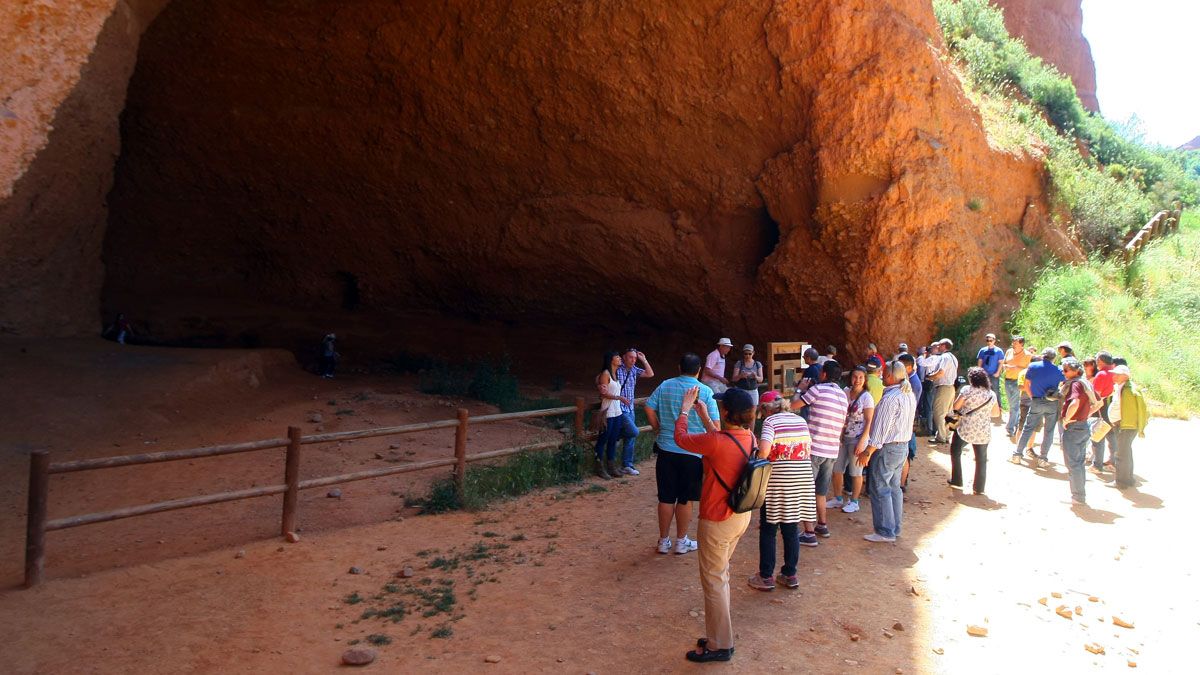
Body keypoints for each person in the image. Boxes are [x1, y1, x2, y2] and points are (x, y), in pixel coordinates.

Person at [673, 386, 755, 663]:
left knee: (714, 581)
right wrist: (705, 416)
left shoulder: (717, 442)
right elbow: (720, 440)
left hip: (717, 519)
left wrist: (685, 410)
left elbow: (681, 439)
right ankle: (720, 636)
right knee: (721, 576)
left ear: (727, 412)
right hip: (739, 516)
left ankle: (720, 644)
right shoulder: (748, 436)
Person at [645, 354, 720, 555]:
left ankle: (663, 541)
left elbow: (648, 407)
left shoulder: (665, 385)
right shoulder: (705, 391)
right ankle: (681, 541)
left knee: (666, 497)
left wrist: (657, 428)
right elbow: (716, 426)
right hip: (693, 452)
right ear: (699, 370)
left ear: (679, 367)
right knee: (685, 499)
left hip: (666, 449)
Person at [748, 391, 814, 592]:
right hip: (801, 480)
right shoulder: (800, 420)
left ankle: (766, 576)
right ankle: (789, 574)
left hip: (778, 481)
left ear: (766, 409)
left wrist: (755, 456)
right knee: (791, 527)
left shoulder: (771, 422)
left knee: (769, 528)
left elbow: (764, 452)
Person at [856, 360, 917, 543]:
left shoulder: (890, 398)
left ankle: (884, 530)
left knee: (880, 487)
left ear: (890, 376)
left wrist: (868, 451)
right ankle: (894, 528)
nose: (882, 376)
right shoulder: (908, 394)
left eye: (884, 373)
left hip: (888, 448)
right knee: (894, 487)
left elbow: (881, 431)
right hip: (901, 446)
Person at [792, 360, 847, 544]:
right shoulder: (842, 395)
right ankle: (822, 525)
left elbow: (793, 405)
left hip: (814, 449)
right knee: (820, 491)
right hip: (831, 450)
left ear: (823, 374)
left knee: (806, 491)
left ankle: (809, 533)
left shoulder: (817, 390)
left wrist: (800, 389)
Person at [947, 367, 1001, 495]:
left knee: (955, 451)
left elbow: (956, 407)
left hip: (965, 428)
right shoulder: (991, 394)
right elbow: (996, 414)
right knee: (981, 459)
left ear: (971, 379)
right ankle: (979, 487)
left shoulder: (967, 390)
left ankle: (957, 480)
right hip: (983, 431)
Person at [828, 367, 873, 514]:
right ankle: (838, 498)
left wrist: (862, 441)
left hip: (857, 438)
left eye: (861, 377)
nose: (857, 380)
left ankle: (854, 501)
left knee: (855, 472)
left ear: (865, 380)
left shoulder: (867, 397)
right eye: (855, 377)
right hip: (843, 436)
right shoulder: (846, 392)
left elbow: (869, 421)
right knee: (837, 469)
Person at [1013, 348, 1065, 467]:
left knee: (1028, 428)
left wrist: (1032, 396)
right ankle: (1043, 458)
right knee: (1049, 431)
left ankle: (1017, 454)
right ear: (1054, 358)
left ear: (1042, 356)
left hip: (1036, 400)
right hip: (1052, 402)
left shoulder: (1033, 366)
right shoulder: (1058, 370)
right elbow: (1064, 383)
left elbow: (1026, 384)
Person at [594, 351, 633, 480]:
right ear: (611, 360)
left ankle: (611, 466)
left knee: (612, 439)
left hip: (617, 412)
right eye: (617, 357)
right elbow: (603, 393)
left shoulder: (614, 374)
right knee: (603, 439)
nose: (620, 359)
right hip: (608, 412)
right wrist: (619, 398)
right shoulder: (606, 374)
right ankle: (599, 467)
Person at [614, 348, 654, 475]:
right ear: (624, 357)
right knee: (634, 431)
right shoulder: (617, 368)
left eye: (635, 358)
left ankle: (627, 465)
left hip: (630, 408)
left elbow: (650, 374)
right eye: (630, 357)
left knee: (630, 437)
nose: (633, 360)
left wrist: (644, 360)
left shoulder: (634, 370)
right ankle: (615, 437)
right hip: (619, 408)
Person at [1059, 358, 1093, 505]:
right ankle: (1080, 495)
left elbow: (1075, 402)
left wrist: (1067, 419)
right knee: (1078, 463)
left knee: (1073, 464)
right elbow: (1098, 403)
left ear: (1076, 371)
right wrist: (1085, 415)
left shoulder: (1076, 384)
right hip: (1083, 426)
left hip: (1074, 428)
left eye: (1066, 370)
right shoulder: (1086, 383)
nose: (1064, 372)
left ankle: (1078, 496)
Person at [1109, 365, 1148, 489]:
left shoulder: (1130, 390)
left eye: (1117, 374)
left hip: (1126, 426)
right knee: (1126, 453)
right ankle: (1128, 479)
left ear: (1125, 376)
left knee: (1121, 454)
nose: (1114, 376)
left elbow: (1140, 409)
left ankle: (1121, 482)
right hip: (1121, 425)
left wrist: (1139, 427)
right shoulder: (1120, 387)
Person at [925, 339, 959, 444]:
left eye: (939, 345)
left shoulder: (945, 357)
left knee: (938, 413)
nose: (938, 347)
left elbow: (941, 373)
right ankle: (948, 436)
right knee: (949, 413)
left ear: (944, 346)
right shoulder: (953, 357)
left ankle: (941, 437)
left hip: (943, 387)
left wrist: (930, 377)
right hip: (951, 387)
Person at [1088, 352, 1117, 472]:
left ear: (1100, 361)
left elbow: (1096, 395)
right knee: (1111, 435)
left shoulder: (1102, 374)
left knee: (1098, 435)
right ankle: (1113, 462)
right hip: (1112, 408)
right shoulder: (1115, 373)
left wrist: (1089, 410)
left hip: (1101, 407)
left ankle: (1097, 465)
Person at [897, 352, 923, 490]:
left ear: (908, 368)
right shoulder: (910, 380)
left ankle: (902, 483)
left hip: (907, 422)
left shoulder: (913, 383)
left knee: (906, 453)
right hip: (908, 422)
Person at [1001, 336, 1032, 440]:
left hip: (1018, 381)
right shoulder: (1009, 351)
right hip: (1007, 380)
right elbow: (1004, 363)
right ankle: (1016, 424)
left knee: (1014, 405)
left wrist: (1017, 368)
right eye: (1013, 342)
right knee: (1012, 405)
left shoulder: (1028, 355)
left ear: (1021, 344)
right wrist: (1005, 367)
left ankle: (1010, 428)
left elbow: (1030, 369)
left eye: (1015, 343)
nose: (1013, 344)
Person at [977, 333, 1004, 403]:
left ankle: (998, 407)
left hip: (994, 374)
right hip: (984, 374)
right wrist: (979, 372)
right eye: (987, 340)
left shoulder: (999, 351)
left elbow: (1001, 362)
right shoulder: (982, 350)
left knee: (995, 391)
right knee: (983, 390)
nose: (989, 342)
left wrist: (998, 372)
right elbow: (980, 361)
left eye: (990, 340)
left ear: (994, 341)